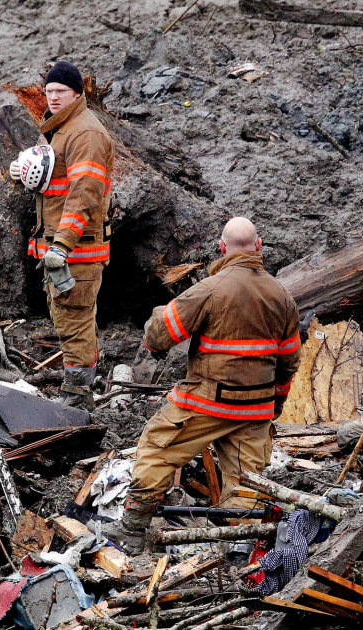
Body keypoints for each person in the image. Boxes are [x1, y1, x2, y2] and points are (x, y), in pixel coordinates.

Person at [102, 217, 301, 553]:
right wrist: (274, 406)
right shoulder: (283, 298)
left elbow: (160, 334)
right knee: (246, 479)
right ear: (259, 246)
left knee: (156, 449)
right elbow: (288, 364)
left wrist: (156, 321)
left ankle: (133, 530)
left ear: (222, 248)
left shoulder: (209, 289)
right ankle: (241, 550)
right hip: (256, 408)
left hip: (207, 401)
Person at [10, 61, 115, 408]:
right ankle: (81, 386)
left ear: (77, 94)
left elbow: (84, 193)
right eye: (50, 91)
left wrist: (62, 244)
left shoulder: (86, 133)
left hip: (75, 250)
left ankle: (78, 395)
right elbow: (51, 179)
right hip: (59, 247)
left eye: (61, 92)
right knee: (67, 317)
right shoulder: (59, 128)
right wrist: (20, 172)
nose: (53, 98)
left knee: (74, 321)